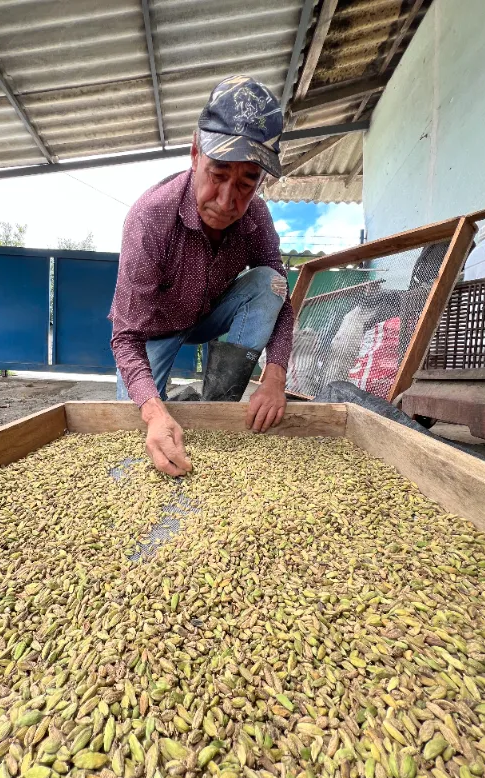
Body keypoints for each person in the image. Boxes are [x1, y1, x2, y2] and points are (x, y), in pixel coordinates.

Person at [109, 76, 294, 477]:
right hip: (154, 329)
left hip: (208, 316)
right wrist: (154, 412)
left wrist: (275, 376)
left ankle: (219, 404)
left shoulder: (257, 218)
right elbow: (125, 337)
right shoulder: (150, 218)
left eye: (247, 183)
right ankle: (166, 409)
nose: (228, 201)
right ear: (195, 153)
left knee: (270, 283)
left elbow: (283, 300)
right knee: (133, 423)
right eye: (218, 174)